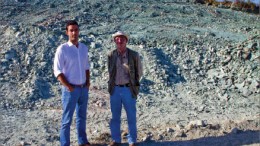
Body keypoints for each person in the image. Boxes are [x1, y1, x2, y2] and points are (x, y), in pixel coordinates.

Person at [53, 20, 91, 146]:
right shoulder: (62, 49)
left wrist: (88, 83)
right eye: (71, 30)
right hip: (71, 90)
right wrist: (68, 86)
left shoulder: (84, 48)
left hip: (83, 88)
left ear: (79, 31)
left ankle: (82, 141)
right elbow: (57, 71)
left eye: (76, 29)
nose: (74, 32)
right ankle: (65, 144)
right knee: (67, 120)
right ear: (67, 32)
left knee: (82, 117)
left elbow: (86, 67)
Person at [107, 31, 143, 146]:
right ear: (114, 41)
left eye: (122, 39)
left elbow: (139, 72)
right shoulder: (111, 55)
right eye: (117, 39)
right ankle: (116, 140)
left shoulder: (134, 55)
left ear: (126, 40)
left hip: (128, 89)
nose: (119, 41)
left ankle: (132, 141)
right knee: (115, 117)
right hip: (115, 89)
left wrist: (134, 84)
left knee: (131, 116)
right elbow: (110, 71)